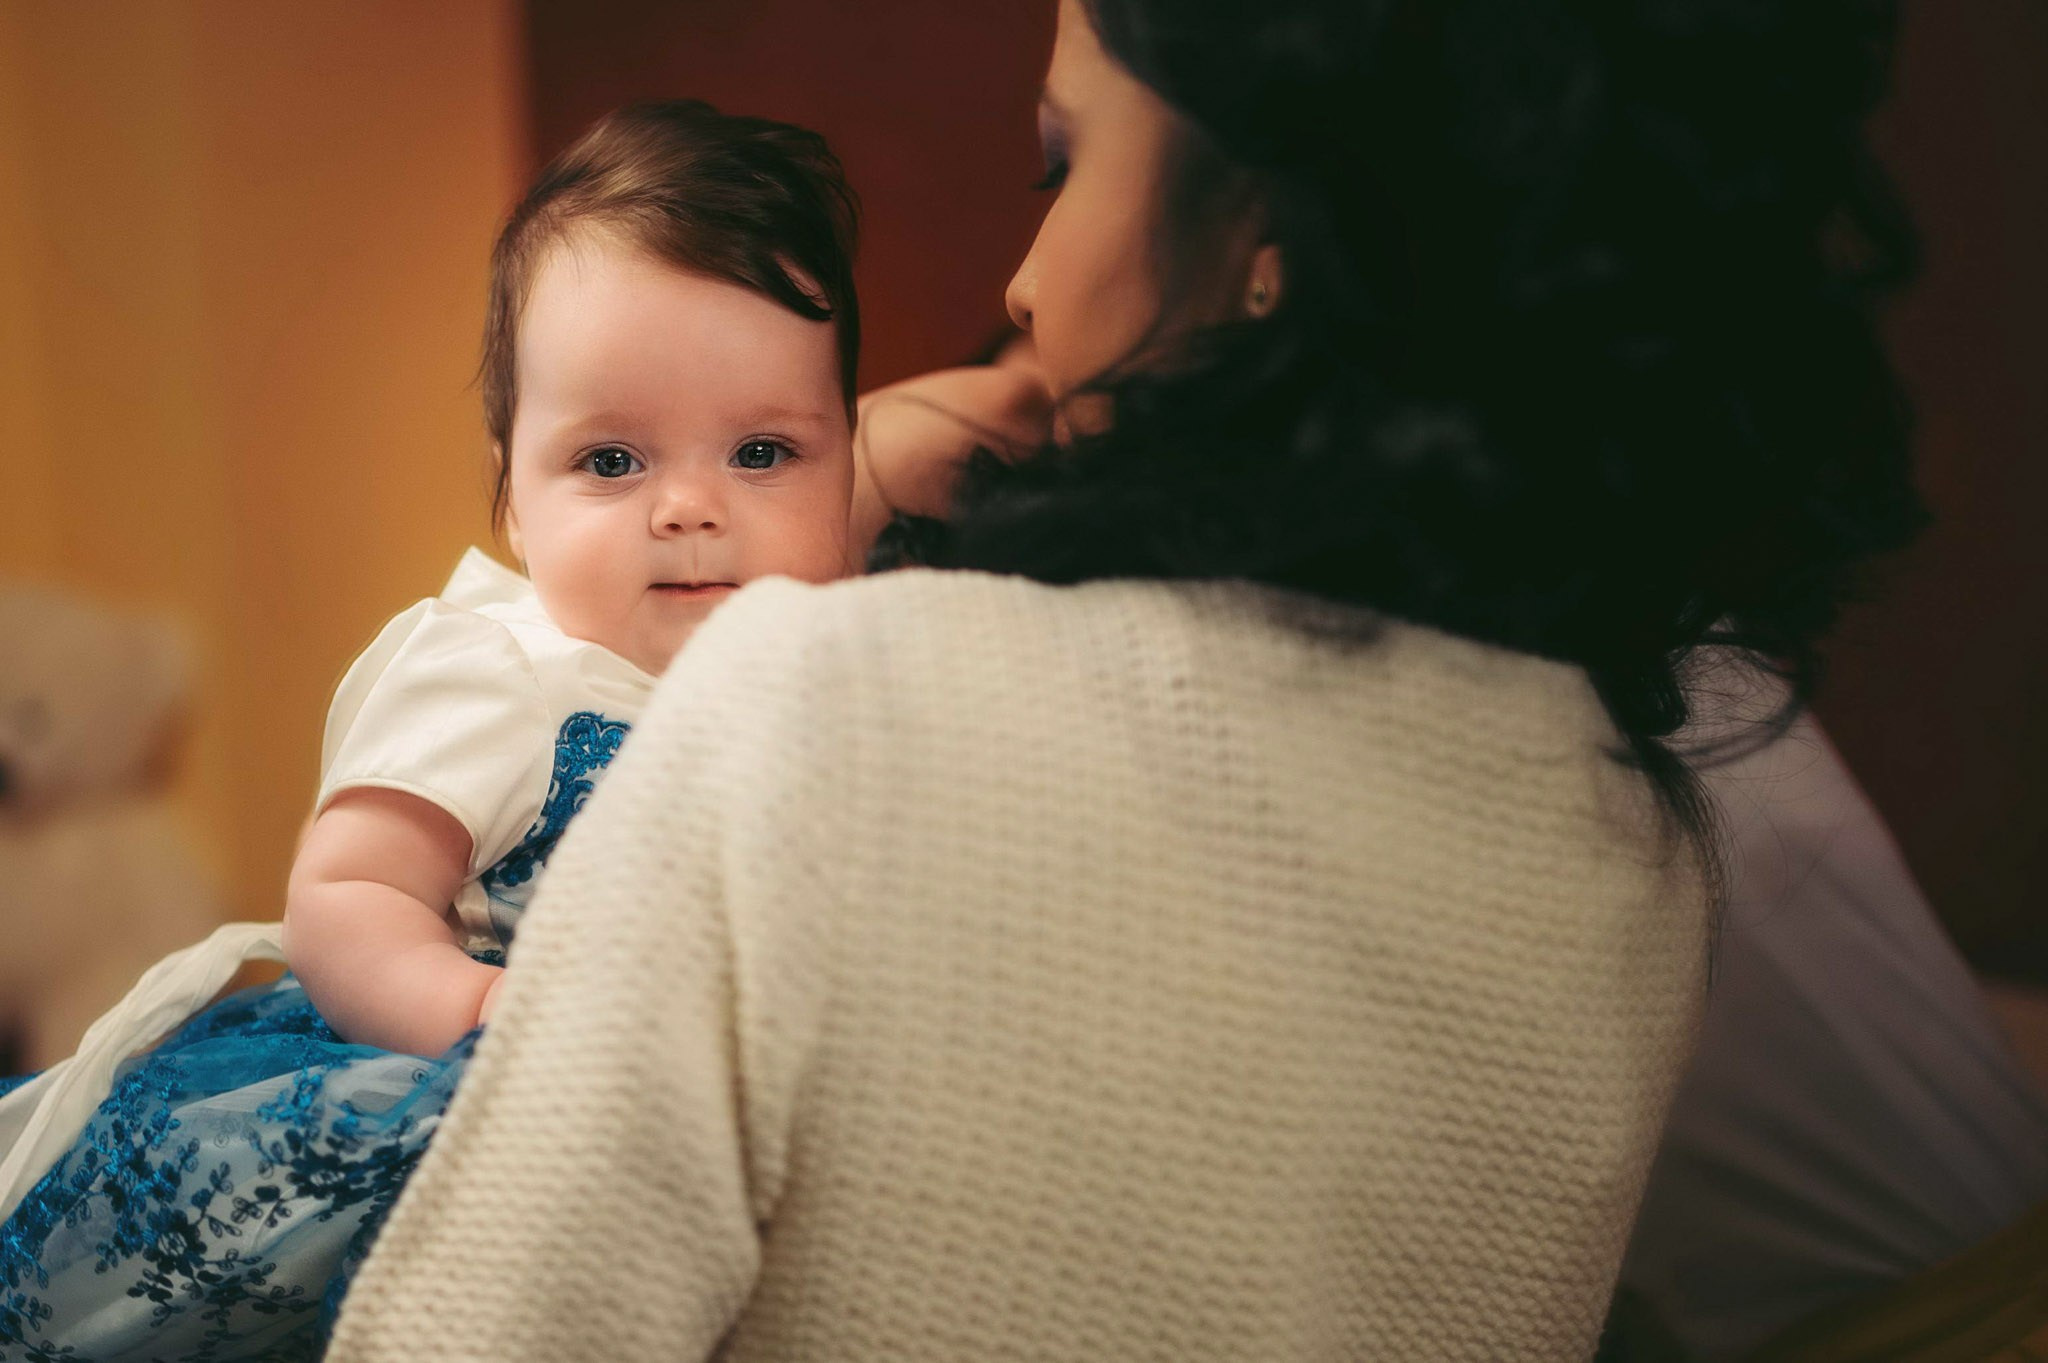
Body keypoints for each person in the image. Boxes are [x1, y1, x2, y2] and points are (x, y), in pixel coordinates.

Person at [323, 1, 1923, 1360]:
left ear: (1266, 238)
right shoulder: (1642, 846)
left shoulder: (829, 709)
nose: (1022, 281)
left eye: (1064, 164)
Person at [0, 99, 861, 1360]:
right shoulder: (509, 673)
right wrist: (475, 1010)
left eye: (764, 451)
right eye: (612, 461)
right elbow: (345, 894)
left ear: (850, 470)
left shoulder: (835, 678)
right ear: (511, 492)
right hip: (440, 1079)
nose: (688, 508)